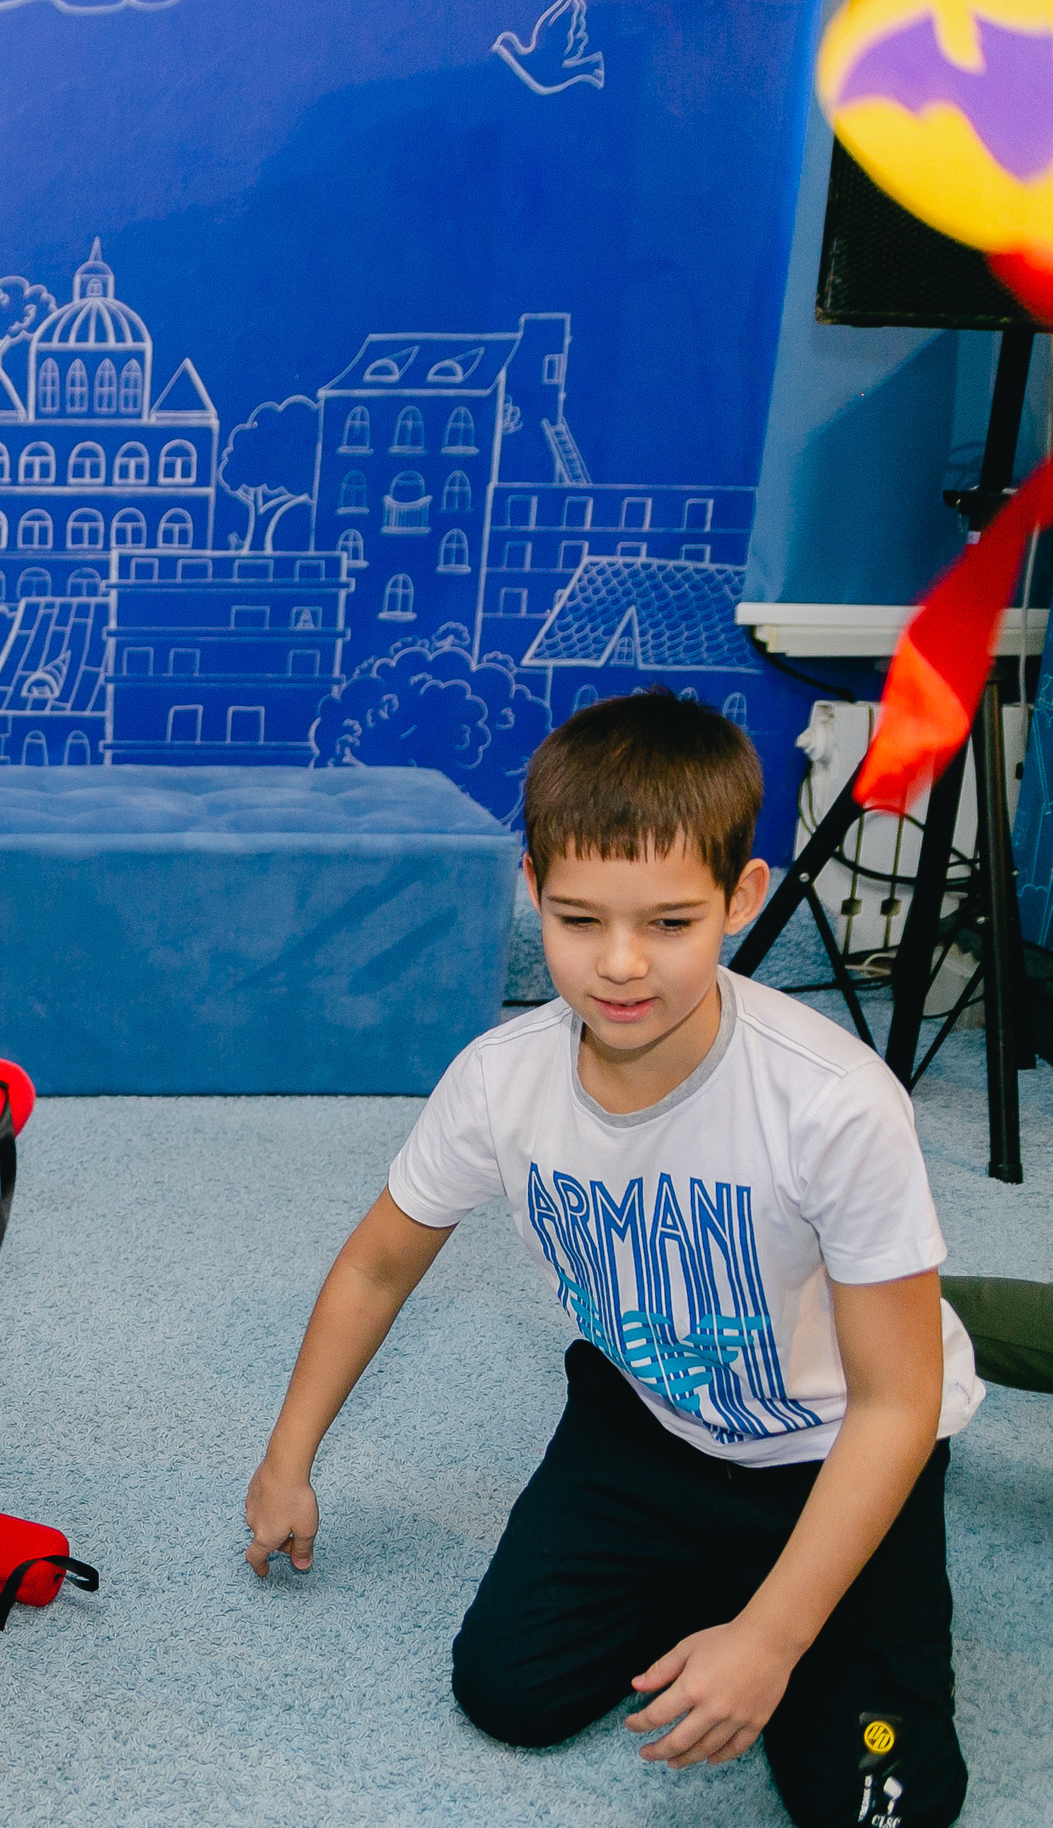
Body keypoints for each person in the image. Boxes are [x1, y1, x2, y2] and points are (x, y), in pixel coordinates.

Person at [242, 693, 981, 1828]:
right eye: (579, 919)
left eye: (671, 923)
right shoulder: (501, 1077)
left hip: (841, 1443)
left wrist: (774, 1637)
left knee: (881, 1804)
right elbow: (376, 1265)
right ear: (530, 887)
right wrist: (288, 1459)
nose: (620, 965)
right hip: (652, 1421)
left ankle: (796, 1603)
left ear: (741, 899)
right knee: (508, 1692)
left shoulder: (833, 1104)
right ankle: (726, 1581)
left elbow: (896, 1400)